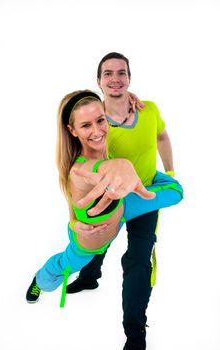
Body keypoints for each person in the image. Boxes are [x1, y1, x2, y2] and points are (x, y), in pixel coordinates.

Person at [26, 90, 183, 317]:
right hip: (88, 243)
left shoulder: (105, 148)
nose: (98, 130)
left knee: (176, 191)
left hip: (122, 210)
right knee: (60, 270)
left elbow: (175, 190)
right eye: (86, 126)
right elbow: (96, 171)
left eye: (101, 120)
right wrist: (122, 166)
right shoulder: (80, 169)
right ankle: (39, 279)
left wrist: (125, 99)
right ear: (73, 130)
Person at [66, 53, 177, 350]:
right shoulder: (94, 122)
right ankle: (90, 276)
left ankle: (135, 332)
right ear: (98, 81)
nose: (115, 78)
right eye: (108, 74)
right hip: (108, 198)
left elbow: (162, 137)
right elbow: (76, 160)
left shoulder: (149, 109)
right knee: (97, 242)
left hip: (144, 197)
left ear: (129, 78)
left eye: (121, 73)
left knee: (139, 263)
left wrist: (171, 172)